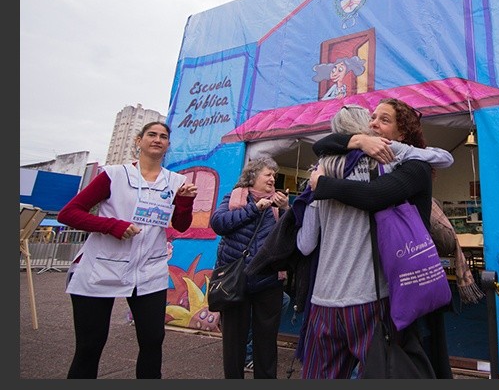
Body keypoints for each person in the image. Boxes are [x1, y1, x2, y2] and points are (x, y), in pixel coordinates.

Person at [296, 103, 453, 379]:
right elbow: (322, 144)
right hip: (371, 298)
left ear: (402, 133)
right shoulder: (366, 162)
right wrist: (358, 141)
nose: (373, 124)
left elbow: (374, 195)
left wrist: (321, 185)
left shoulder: (410, 166)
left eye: (384, 120)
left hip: (392, 289)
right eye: (371, 119)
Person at [57, 121, 197, 379]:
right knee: (90, 346)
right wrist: (112, 226)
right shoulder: (113, 175)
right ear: (138, 141)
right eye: (151, 135)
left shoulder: (176, 181)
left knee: (153, 341)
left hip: (149, 271)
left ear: (168, 145)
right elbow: (69, 214)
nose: (157, 139)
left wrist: (185, 202)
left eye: (163, 136)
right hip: (102, 267)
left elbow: (180, 225)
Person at [210, 155, 290, 379]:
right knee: (234, 342)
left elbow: (289, 237)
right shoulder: (234, 197)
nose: (272, 179)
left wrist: (285, 210)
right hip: (236, 280)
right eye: (268, 174)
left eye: (274, 175)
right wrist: (254, 209)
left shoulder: (277, 202)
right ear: (253, 176)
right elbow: (219, 224)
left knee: (266, 342)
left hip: (268, 280)